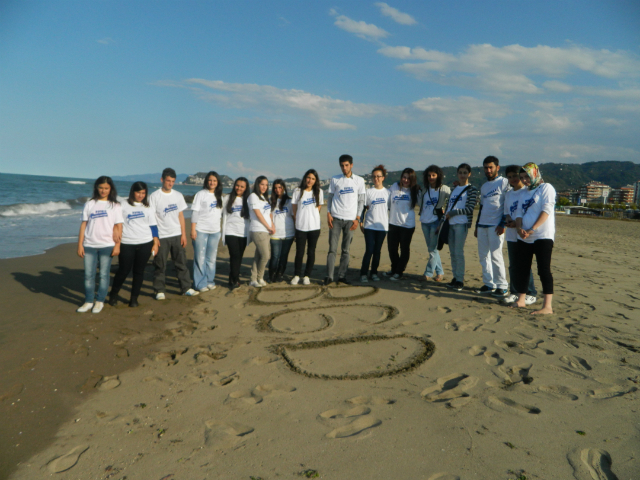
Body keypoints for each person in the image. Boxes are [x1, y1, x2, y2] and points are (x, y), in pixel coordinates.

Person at [149, 168, 199, 299]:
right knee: (160, 264)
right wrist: (155, 238)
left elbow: (181, 216)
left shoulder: (177, 195)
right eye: (168, 181)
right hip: (162, 236)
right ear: (162, 180)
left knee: (181, 263)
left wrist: (183, 234)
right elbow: (151, 219)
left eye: (172, 181)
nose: (170, 184)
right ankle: (159, 290)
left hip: (177, 234)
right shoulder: (154, 196)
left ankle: (186, 287)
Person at [512, 163, 555, 314]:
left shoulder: (546, 188)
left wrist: (532, 229)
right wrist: (519, 229)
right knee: (522, 268)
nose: (525, 180)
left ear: (535, 173)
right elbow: (518, 213)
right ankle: (521, 300)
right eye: (522, 177)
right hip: (525, 236)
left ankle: (547, 306)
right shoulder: (524, 192)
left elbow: (546, 210)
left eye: (527, 176)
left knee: (543, 270)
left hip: (542, 235)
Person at [108, 182, 159, 307]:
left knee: (139, 272)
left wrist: (156, 242)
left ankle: (134, 299)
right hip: (127, 243)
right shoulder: (122, 205)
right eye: (138, 192)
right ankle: (113, 295)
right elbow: (116, 222)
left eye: (143, 193)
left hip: (145, 243)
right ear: (132, 192)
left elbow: (153, 225)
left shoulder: (148, 207)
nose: (141, 195)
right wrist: (116, 241)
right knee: (123, 270)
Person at [77, 176, 123, 313]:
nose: (103, 191)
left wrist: (118, 245)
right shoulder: (90, 204)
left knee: (104, 274)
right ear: (97, 188)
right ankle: (88, 301)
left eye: (106, 188)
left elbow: (119, 226)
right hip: (89, 244)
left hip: (107, 244)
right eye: (101, 188)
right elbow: (83, 224)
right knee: (88, 275)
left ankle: (100, 301)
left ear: (111, 189)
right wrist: (80, 244)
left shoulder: (115, 205)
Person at [325, 154, 365, 285]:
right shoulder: (335, 179)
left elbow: (361, 201)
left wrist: (358, 218)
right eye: (342, 165)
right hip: (336, 218)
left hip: (350, 220)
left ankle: (342, 276)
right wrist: (328, 213)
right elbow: (330, 198)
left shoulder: (359, 180)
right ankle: (329, 276)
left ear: (351, 165)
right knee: (332, 249)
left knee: (346, 250)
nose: (344, 168)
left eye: (347, 165)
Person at [474, 156, 510, 297]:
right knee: (484, 256)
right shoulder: (484, 187)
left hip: (496, 225)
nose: (488, 170)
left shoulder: (504, 182)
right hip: (483, 225)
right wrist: (477, 226)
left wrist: (503, 224)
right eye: (486, 168)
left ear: (497, 168)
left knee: (496, 255)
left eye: (491, 167)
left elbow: (506, 205)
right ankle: (489, 284)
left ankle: (502, 285)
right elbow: (481, 207)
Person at [503, 165, 537, 305]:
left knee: (524, 264)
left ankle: (530, 292)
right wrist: (509, 222)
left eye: (515, 176)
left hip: (524, 234)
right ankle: (515, 291)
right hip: (511, 234)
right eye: (509, 177)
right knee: (513, 265)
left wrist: (519, 225)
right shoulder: (509, 194)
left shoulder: (527, 191)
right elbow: (506, 212)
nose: (513, 179)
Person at [444, 163, 478, 291]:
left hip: (461, 223)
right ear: (457, 174)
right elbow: (448, 207)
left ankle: (460, 280)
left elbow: (469, 208)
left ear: (469, 174)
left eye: (465, 173)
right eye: (460, 172)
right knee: (452, 253)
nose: (462, 175)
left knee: (458, 252)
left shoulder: (472, 189)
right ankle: (455, 277)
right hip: (450, 224)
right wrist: (443, 221)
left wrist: (453, 213)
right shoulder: (454, 189)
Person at [190, 171, 223, 292]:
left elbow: (221, 214)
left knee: (211, 258)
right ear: (206, 181)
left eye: (214, 180)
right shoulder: (200, 194)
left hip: (215, 231)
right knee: (200, 257)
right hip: (201, 230)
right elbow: (195, 212)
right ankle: (200, 284)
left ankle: (209, 280)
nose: (212, 182)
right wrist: (193, 229)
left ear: (218, 182)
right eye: (210, 180)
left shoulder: (220, 196)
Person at [386, 168, 421, 280]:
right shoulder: (394, 186)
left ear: (412, 179)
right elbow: (386, 201)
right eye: (404, 177)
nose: (405, 180)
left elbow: (424, 204)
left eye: (408, 178)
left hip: (407, 225)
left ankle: (399, 271)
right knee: (392, 249)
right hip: (393, 223)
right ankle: (394, 268)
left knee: (404, 249)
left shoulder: (415, 190)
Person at [291, 169, 324, 285]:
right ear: (305, 178)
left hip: (314, 227)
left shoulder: (319, 191)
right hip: (301, 226)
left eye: (313, 179)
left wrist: (312, 217)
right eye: (308, 178)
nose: (310, 180)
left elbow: (319, 208)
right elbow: (294, 208)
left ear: (316, 181)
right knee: (299, 252)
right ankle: (296, 275)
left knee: (311, 252)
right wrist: (297, 219)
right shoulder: (297, 191)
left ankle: (307, 275)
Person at [419, 165, 450, 282]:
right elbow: (419, 202)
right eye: (429, 175)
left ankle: (428, 273)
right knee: (432, 249)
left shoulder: (444, 189)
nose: (431, 177)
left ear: (438, 176)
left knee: (432, 249)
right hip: (424, 222)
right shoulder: (424, 190)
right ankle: (440, 272)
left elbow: (452, 200)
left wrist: (446, 212)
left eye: (433, 175)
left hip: (436, 222)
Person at [359, 165, 390, 283]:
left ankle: (374, 273)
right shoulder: (368, 192)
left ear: (383, 178)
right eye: (374, 177)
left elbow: (392, 209)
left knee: (377, 251)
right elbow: (362, 208)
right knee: (369, 250)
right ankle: (363, 273)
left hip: (382, 227)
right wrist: (361, 222)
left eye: (378, 176)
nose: (376, 178)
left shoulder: (388, 193)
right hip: (369, 226)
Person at [222, 177, 251, 289]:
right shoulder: (227, 198)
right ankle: (235, 279)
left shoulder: (248, 199)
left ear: (246, 188)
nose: (239, 188)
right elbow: (220, 212)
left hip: (243, 232)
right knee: (234, 255)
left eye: (242, 186)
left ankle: (231, 277)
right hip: (230, 231)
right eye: (237, 185)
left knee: (239, 257)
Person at [248, 176, 275, 287]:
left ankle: (253, 279)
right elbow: (258, 214)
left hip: (266, 230)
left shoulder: (264, 198)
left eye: (266, 185)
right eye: (262, 184)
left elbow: (268, 213)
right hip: (258, 229)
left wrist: (272, 225)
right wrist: (268, 226)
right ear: (257, 185)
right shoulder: (253, 196)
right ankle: (260, 277)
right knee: (266, 256)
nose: (264, 187)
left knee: (258, 256)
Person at [269, 179, 295, 282]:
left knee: (284, 256)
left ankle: (280, 274)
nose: (277, 190)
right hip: (275, 233)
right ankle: (271, 274)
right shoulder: (270, 201)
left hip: (288, 233)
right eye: (275, 188)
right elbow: (269, 217)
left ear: (283, 188)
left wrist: (296, 231)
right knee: (275, 256)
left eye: (280, 187)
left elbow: (293, 217)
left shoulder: (289, 201)